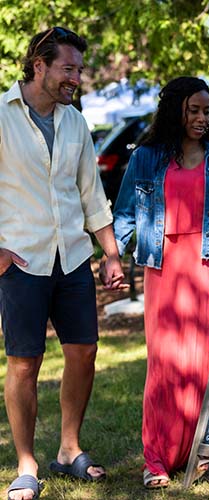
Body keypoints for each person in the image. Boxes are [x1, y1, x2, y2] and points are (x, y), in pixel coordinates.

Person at [0, 26, 127, 500]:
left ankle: (69, 448)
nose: (76, 78)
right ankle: (27, 462)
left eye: (79, 69)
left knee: (84, 352)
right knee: (24, 364)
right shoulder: (2, 114)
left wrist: (110, 253)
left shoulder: (76, 122)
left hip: (73, 256)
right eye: (67, 68)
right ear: (40, 66)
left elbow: (91, 194)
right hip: (21, 259)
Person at [112, 76, 209, 489]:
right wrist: (108, 258)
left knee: (203, 362)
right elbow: (122, 215)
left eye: (206, 111)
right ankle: (155, 458)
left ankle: (197, 451)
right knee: (165, 363)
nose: (201, 118)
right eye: (194, 110)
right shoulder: (146, 158)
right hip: (164, 267)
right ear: (176, 110)